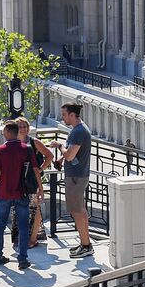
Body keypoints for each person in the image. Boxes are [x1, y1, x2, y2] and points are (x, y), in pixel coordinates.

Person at [0, 120, 33, 271]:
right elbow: (35, 170)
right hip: (22, 192)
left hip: (4, 193)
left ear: (8, 133)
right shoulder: (26, 149)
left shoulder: (0, 151)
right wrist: (40, 189)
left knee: (0, 224)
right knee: (23, 226)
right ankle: (22, 258)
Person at [60, 103, 95, 259]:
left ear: (72, 115)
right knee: (80, 211)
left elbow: (70, 156)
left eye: (64, 115)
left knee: (77, 211)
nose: (63, 117)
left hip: (76, 177)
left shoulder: (78, 132)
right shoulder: (79, 130)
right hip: (78, 175)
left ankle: (86, 246)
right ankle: (85, 243)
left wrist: (59, 146)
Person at [15, 117, 53, 249]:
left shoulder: (34, 142)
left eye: (25, 126)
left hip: (32, 180)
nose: (23, 129)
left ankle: (33, 238)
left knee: (34, 208)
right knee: (20, 209)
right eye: (20, 126)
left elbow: (50, 155)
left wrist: (41, 169)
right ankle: (21, 237)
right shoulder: (14, 142)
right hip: (18, 181)